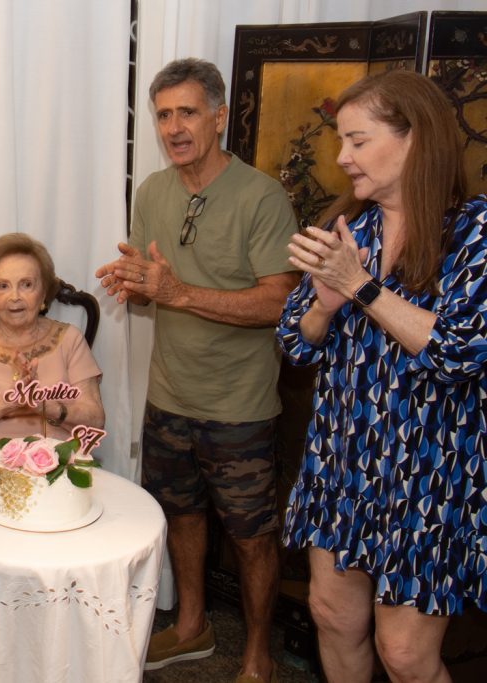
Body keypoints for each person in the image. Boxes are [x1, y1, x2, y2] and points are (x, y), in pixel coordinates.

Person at [278, 69, 486, 683]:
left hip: (429, 476)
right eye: (341, 141)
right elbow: (295, 343)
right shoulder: (351, 228)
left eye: (358, 140)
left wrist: (360, 286)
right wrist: (321, 307)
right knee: (331, 616)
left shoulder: (473, 233)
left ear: (415, 138)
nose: (342, 158)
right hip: (343, 461)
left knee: (405, 655)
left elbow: (458, 350)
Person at [95, 58, 298, 683]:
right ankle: (191, 627)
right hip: (169, 394)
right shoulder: (153, 191)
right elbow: (155, 281)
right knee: (179, 514)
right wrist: (137, 283)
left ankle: (258, 652)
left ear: (218, 116)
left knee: (251, 534)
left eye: (187, 112)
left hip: (239, 404)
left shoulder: (261, 196)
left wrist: (177, 293)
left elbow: (279, 301)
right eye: (162, 115)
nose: (174, 127)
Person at [0, 233, 104, 462]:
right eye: (3, 286)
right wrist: (8, 402)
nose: (15, 297)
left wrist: (48, 406)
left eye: (27, 285)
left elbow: (96, 420)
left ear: (44, 294)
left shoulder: (70, 340)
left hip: (56, 461)